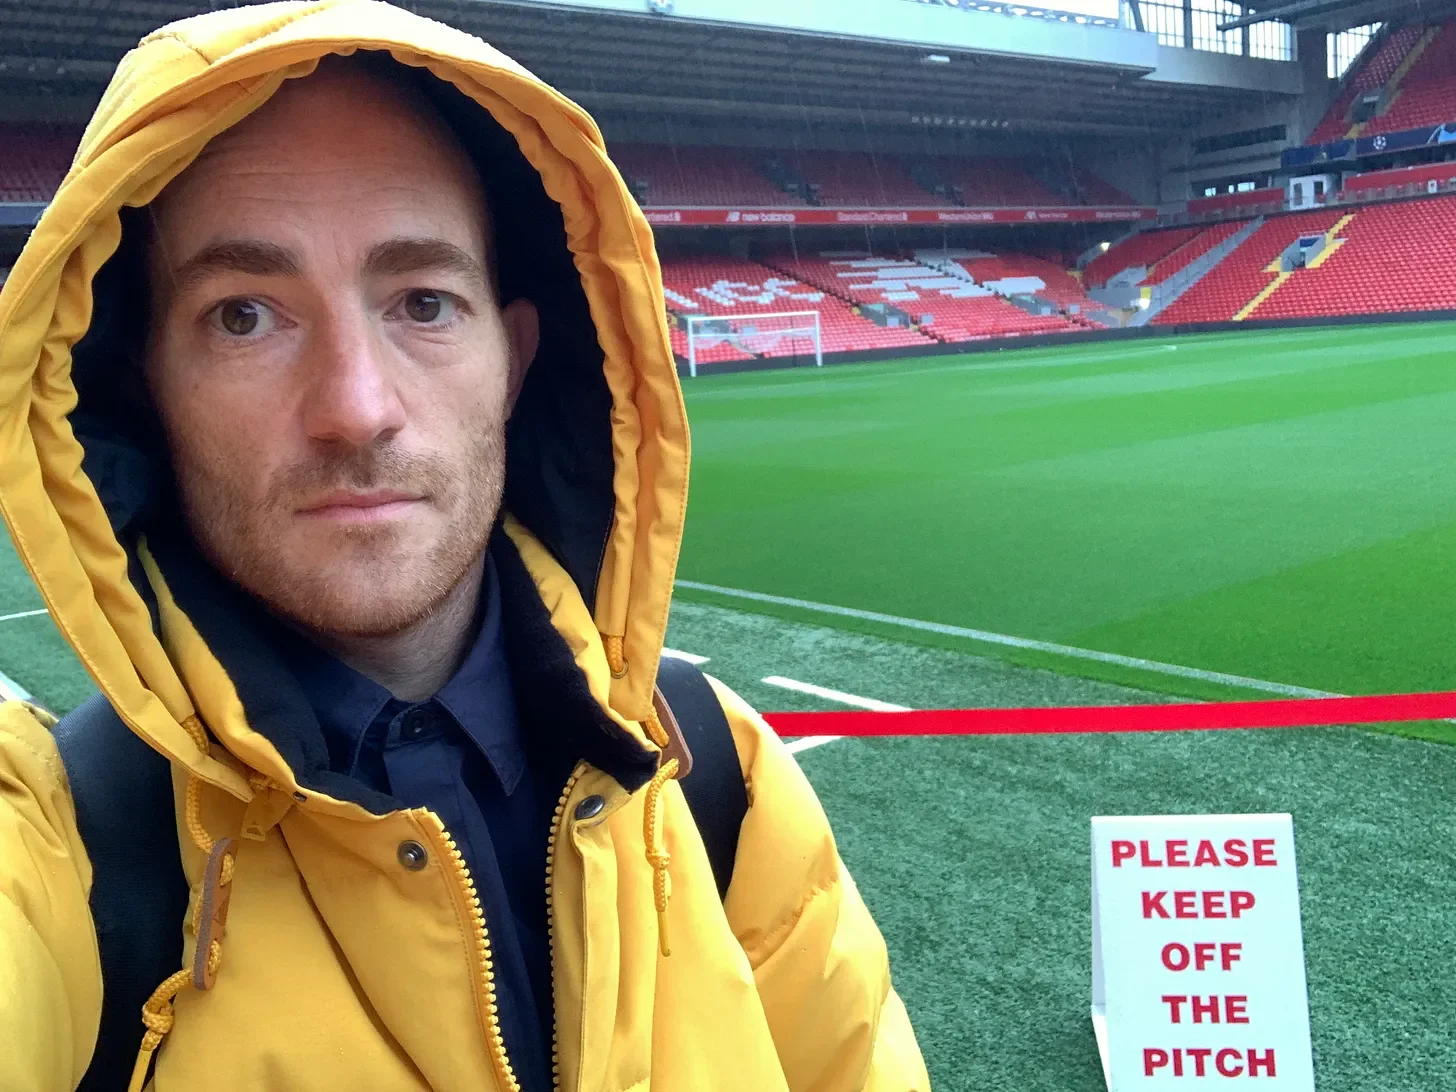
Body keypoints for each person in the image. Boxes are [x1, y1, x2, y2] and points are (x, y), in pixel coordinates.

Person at [0, 2, 930, 1090]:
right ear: (141, 385)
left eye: (424, 302)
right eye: (244, 314)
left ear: (517, 358)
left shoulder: (718, 777)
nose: (355, 408)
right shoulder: (67, 845)